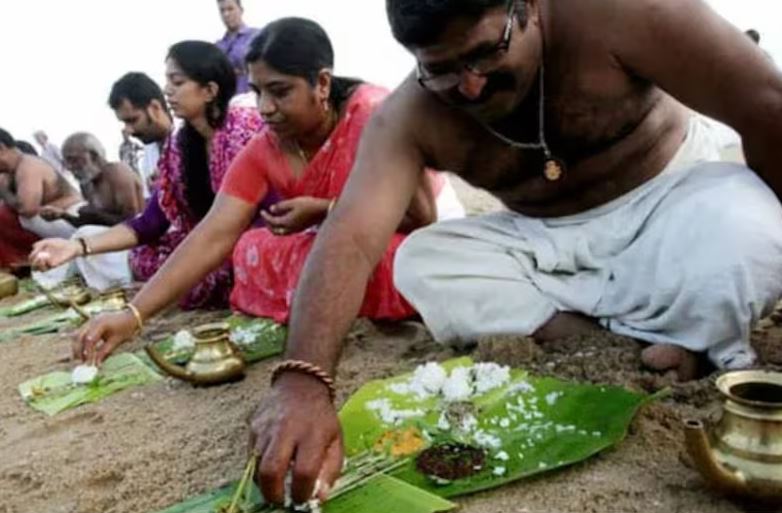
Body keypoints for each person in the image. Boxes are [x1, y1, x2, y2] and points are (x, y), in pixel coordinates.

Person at [240, 0, 782, 505]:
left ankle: (677, 332)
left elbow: (765, 103)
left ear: (530, 7)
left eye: (485, 53)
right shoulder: (409, 115)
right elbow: (352, 238)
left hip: (671, 202)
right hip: (543, 240)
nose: (470, 85)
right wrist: (302, 380)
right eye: (441, 69)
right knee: (423, 263)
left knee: (748, 227)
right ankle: (626, 335)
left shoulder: (616, 14)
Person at [70, 17, 463, 361]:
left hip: (412, 234)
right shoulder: (265, 146)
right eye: (258, 91)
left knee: (379, 258)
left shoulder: (373, 113)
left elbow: (419, 217)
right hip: (342, 238)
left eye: (280, 91)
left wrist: (323, 209)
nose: (265, 108)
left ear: (322, 83)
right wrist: (133, 315)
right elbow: (214, 232)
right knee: (250, 248)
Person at [31, 41, 263, 306]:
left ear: (210, 90)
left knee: (233, 258)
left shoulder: (245, 131)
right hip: (205, 246)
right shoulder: (179, 147)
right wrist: (77, 247)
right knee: (144, 257)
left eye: (177, 82)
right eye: (167, 81)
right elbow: (150, 222)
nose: (167, 90)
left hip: (247, 240)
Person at [32, 132, 145, 291]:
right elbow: (89, 222)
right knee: (73, 242)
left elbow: (134, 222)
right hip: (105, 241)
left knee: (84, 235)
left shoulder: (117, 172)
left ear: (94, 155)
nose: (70, 167)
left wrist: (96, 215)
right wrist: (63, 215)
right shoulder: (87, 183)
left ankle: (117, 284)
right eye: (67, 162)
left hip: (132, 243)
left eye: (74, 160)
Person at [0, 127, 83, 241]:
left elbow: (27, 209)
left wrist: (4, 191)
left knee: (8, 218)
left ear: (1, 147)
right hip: (62, 222)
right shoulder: (13, 170)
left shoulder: (28, 166)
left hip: (72, 221)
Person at [108, 72, 175, 197]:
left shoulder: (194, 138)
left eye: (133, 120)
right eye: (124, 123)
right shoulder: (147, 156)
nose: (129, 130)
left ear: (155, 108)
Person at [215, 0, 260, 95]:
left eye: (230, 9)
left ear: (241, 10)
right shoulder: (218, 46)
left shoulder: (256, 36)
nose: (226, 14)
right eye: (222, 10)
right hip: (227, 98)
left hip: (251, 96)